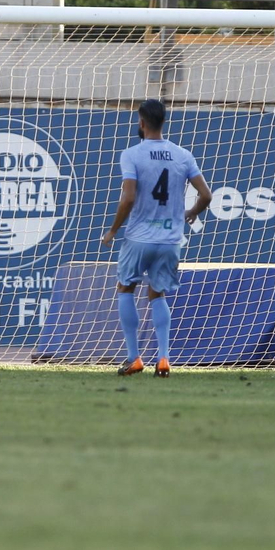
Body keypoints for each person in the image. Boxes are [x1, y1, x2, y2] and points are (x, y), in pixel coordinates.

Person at [100, 100, 213, 377]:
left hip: (139, 237)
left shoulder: (132, 155)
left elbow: (128, 198)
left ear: (141, 122)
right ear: (163, 122)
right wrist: (191, 213)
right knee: (157, 294)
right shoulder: (182, 155)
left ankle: (134, 358)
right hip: (170, 239)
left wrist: (113, 229)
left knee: (125, 288)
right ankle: (163, 359)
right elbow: (206, 195)